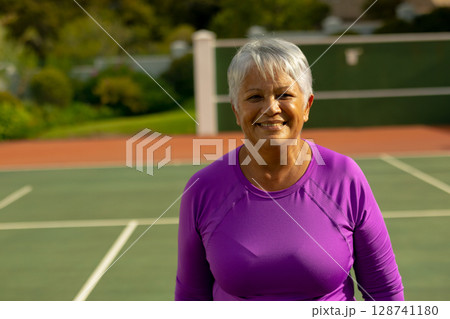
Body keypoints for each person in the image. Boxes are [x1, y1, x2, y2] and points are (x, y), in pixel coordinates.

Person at [175, 38, 404, 301]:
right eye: (254, 97)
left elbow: (384, 292)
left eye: (285, 95)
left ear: (306, 106)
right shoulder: (203, 188)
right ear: (237, 111)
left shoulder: (345, 177)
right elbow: (190, 299)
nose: (271, 108)